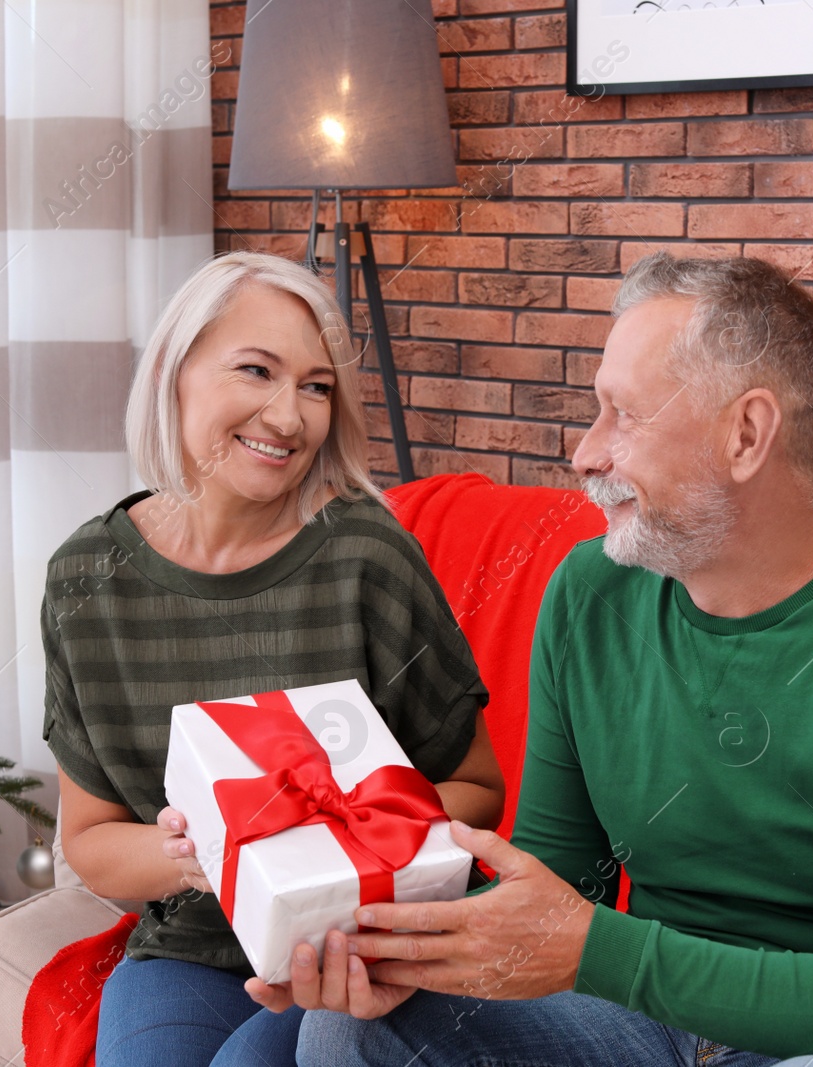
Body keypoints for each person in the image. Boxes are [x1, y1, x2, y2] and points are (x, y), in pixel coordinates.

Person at [276, 252, 813, 1067]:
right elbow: (559, 890)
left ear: (746, 435)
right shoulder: (591, 592)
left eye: (621, 415)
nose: (585, 453)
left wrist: (599, 952)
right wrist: (405, 950)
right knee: (354, 1029)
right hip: (644, 1021)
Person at [40, 252, 506, 1067]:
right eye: (257, 370)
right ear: (174, 372)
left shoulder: (366, 554)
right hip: (190, 949)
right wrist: (205, 855)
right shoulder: (87, 578)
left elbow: (477, 789)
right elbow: (89, 838)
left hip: (362, 944)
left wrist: (339, 846)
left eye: (317, 386)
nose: (289, 417)